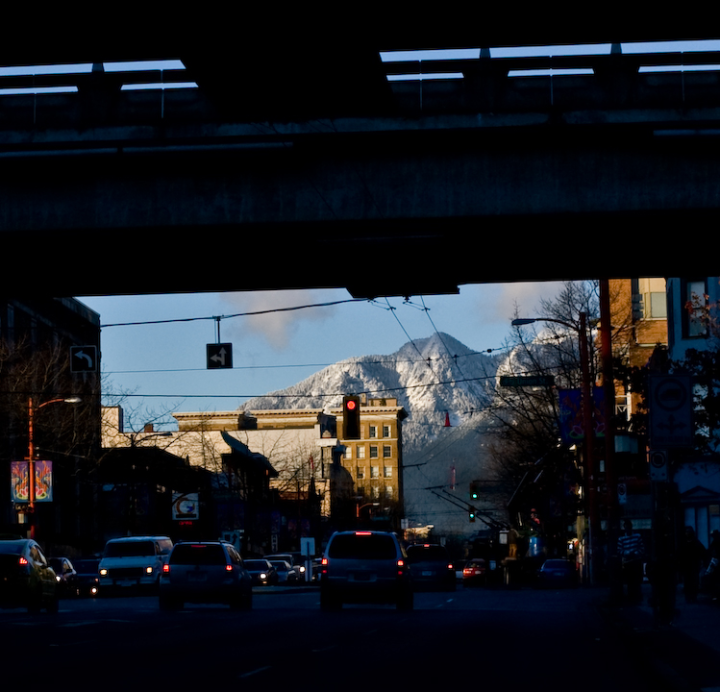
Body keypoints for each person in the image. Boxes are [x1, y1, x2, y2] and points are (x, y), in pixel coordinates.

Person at [617, 519, 645, 604]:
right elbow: (619, 551)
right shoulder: (622, 539)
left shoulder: (636, 536)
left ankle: (635, 596)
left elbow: (642, 549)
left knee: (635, 580)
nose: (628, 529)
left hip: (634, 561)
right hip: (629, 562)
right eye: (627, 528)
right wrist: (629, 553)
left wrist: (632, 553)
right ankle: (633, 596)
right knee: (631, 580)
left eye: (629, 527)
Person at [679, 526, 708, 603]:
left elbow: (703, 553)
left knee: (692, 582)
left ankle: (691, 597)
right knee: (690, 582)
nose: (687, 533)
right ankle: (690, 597)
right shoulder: (691, 543)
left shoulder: (692, 543)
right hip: (689, 566)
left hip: (692, 566)